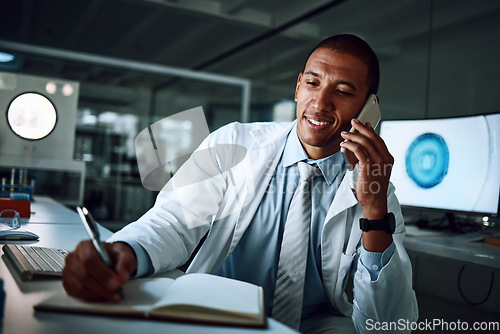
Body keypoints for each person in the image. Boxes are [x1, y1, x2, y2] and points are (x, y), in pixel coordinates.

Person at [63, 34, 418, 333]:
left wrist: (373, 210)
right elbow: (174, 220)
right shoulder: (233, 143)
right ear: (297, 87)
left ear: (369, 107)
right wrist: (125, 251)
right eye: (312, 83)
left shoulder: (376, 189)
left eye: (342, 91)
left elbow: (387, 322)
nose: (320, 103)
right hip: (219, 321)